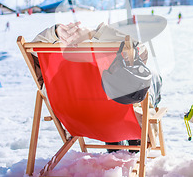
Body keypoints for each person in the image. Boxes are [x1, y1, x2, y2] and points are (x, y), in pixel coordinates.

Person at [32, 21, 160, 153]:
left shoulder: (55, 73)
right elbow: (139, 49)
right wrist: (94, 33)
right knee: (151, 80)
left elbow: (35, 49)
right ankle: (133, 139)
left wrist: (56, 32)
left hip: (77, 122)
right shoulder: (107, 55)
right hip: (125, 122)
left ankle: (114, 141)